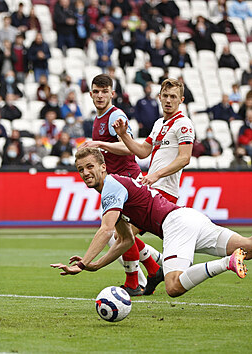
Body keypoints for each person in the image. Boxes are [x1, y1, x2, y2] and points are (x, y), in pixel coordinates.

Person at [51, 148, 252, 299]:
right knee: (248, 247)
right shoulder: (115, 188)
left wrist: (83, 262)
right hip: (187, 217)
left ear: (103, 167)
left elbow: (105, 229)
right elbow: (125, 240)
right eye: (80, 170)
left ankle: (226, 264)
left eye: (90, 167)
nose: (86, 173)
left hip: (175, 224)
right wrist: (95, 266)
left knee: (173, 285)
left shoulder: (111, 186)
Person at [80, 74, 163, 296]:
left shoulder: (115, 116)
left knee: (119, 236)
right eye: (96, 91)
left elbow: (130, 148)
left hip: (128, 180)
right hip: (115, 183)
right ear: (90, 94)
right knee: (123, 234)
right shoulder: (98, 118)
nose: (99, 95)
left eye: (104, 91)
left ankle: (136, 280)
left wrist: (98, 143)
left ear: (112, 94)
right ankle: (154, 269)